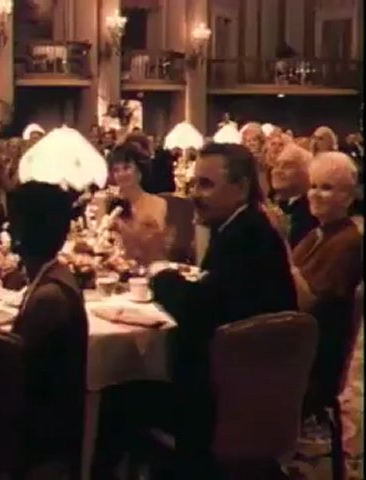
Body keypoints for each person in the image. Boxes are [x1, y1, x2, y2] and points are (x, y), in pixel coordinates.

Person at [92, 143, 298, 480]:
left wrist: (158, 267)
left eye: (206, 184)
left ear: (241, 187)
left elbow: (197, 313)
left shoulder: (245, 238)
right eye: (194, 184)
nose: (194, 195)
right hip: (254, 389)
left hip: (223, 401)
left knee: (114, 396)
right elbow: (214, 298)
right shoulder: (245, 227)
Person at [0, 181, 88, 479]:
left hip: (37, 441)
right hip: (37, 424)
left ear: (24, 233)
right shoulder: (54, 274)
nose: (8, 227)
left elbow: (4, 369)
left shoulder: (49, 299)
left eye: (13, 221)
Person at [289, 152, 362, 419]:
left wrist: (279, 247)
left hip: (312, 360)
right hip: (296, 339)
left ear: (348, 197)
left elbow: (308, 304)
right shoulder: (316, 233)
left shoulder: (349, 242)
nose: (315, 194)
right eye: (313, 186)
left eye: (327, 188)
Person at [108, 144, 168, 265]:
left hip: (151, 267)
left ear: (139, 171)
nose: (121, 174)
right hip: (119, 268)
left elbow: (154, 248)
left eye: (126, 168)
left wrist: (125, 229)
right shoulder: (112, 205)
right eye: (116, 170)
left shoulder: (157, 204)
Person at [271, 143, 318, 248]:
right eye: (276, 165)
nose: (277, 171)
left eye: (287, 166)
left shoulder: (312, 211)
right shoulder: (279, 204)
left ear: (307, 173)